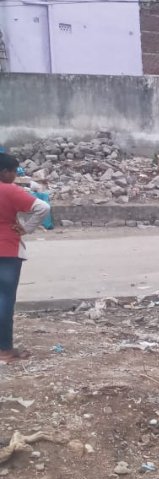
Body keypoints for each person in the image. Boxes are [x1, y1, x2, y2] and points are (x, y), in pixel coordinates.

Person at [0, 153, 51, 363]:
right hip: (7, 249)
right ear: (5, 171)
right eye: (13, 172)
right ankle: (4, 350)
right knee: (4, 299)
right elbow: (43, 207)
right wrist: (26, 228)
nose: (13, 176)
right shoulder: (8, 190)